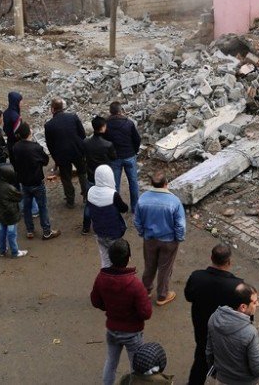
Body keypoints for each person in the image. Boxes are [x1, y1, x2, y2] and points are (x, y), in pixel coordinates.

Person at [91, 239, 153, 385]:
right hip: (132, 333)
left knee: (111, 362)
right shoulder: (135, 284)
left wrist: (110, 307)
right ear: (129, 257)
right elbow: (146, 313)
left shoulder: (101, 278)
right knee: (136, 367)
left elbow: (95, 301)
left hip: (112, 329)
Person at [184, 244, 244, 385]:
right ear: (229, 262)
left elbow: (188, 296)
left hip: (202, 330)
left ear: (211, 258)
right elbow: (244, 315)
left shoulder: (197, 277)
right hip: (225, 336)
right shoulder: (238, 286)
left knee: (200, 361)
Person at [134, 171, 186, 306]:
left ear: (152, 183)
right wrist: (178, 239)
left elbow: (137, 221)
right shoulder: (174, 201)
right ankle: (162, 295)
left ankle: (145, 291)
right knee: (165, 269)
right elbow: (180, 225)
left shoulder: (143, 199)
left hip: (149, 239)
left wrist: (142, 233)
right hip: (169, 241)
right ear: (166, 184)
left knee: (149, 265)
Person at [206, 283, 259, 385]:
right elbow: (258, 368)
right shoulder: (250, 332)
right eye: (255, 302)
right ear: (243, 307)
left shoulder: (213, 318)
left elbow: (209, 351)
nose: (258, 305)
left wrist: (216, 373)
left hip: (222, 379)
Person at [11, 122, 61, 240]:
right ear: (29, 132)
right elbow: (45, 161)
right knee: (42, 207)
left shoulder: (16, 147)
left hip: (24, 182)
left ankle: (30, 230)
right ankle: (47, 231)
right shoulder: (35, 147)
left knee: (27, 207)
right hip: (37, 181)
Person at [43, 97, 87, 208]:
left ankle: (70, 200)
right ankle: (87, 197)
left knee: (66, 178)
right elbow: (82, 134)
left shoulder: (49, 125)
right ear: (63, 107)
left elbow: (50, 145)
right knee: (82, 173)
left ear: (52, 109)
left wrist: (56, 158)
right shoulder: (73, 117)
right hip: (77, 150)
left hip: (62, 155)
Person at [103, 101, 142, 212]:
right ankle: (135, 207)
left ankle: (115, 207)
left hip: (114, 158)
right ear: (121, 110)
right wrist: (134, 151)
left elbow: (104, 141)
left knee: (115, 184)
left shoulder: (106, 125)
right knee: (133, 182)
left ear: (110, 111)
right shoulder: (129, 123)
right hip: (129, 156)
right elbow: (137, 139)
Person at [88, 165, 129, 267]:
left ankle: (105, 276)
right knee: (118, 259)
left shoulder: (90, 191)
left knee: (105, 257)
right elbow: (124, 208)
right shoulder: (112, 194)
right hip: (113, 233)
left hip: (99, 232)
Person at [82, 115, 117, 234]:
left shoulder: (86, 142)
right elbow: (113, 157)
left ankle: (86, 227)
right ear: (103, 128)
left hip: (91, 177)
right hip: (105, 179)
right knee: (108, 202)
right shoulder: (108, 144)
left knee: (89, 203)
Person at [0, 164, 27, 258]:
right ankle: (15, 252)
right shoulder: (9, 188)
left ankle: (2, 250)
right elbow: (19, 197)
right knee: (12, 234)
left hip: (0, 214)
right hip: (10, 215)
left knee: (1, 232)